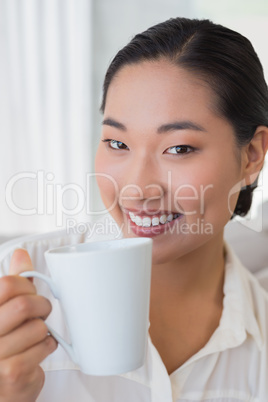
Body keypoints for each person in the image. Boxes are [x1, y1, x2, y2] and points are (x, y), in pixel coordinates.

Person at [0, 17, 268, 402]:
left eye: (178, 148)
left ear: (251, 155)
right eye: (117, 143)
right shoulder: (13, 289)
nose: (137, 188)